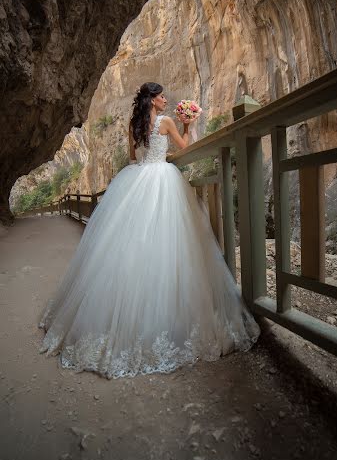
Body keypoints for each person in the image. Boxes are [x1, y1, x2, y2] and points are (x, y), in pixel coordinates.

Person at [38, 82, 261, 379]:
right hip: (162, 178)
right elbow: (186, 147)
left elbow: (133, 158)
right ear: (153, 100)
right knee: (172, 245)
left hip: (138, 178)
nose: (166, 99)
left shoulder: (135, 125)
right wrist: (189, 124)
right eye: (162, 96)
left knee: (132, 247)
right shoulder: (167, 122)